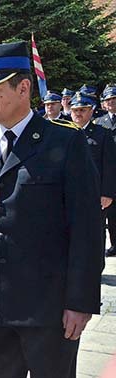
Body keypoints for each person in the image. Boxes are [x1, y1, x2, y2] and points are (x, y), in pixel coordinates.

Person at [0, 41, 103, 378]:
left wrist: (81, 301)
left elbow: (87, 228)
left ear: (23, 88)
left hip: (49, 306)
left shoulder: (65, 142)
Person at [70, 91, 116, 263]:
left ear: (91, 111)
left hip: (95, 194)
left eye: (83, 109)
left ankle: (96, 266)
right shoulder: (63, 132)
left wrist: (107, 193)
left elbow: (110, 166)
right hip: (70, 192)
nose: (79, 113)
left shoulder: (102, 133)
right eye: (75, 110)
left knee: (94, 232)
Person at [96, 85, 116, 256]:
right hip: (108, 170)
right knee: (110, 214)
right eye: (108, 100)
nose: (111, 103)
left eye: (114, 100)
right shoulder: (101, 122)